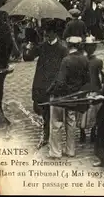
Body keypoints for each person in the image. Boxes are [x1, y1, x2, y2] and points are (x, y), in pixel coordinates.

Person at [46, 36, 90, 159]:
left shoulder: (66, 60)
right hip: (74, 96)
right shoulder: (84, 60)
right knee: (71, 122)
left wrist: (53, 93)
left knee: (56, 123)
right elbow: (87, 80)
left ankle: (56, 151)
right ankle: (70, 150)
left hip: (61, 96)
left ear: (68, 45)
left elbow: (60, 81)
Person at [31, 20, 68, 148]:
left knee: (56, 113)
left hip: (55, 84)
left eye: (49, 33)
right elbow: (28, 56)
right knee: (45, 112)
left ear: (55, 33)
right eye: (45, 33)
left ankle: (54, 137)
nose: (46, 35)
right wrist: (30, 46)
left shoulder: (62, 49)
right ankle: (46, 136)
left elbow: (64, 68)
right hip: (42, 85)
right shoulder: (42, 46)